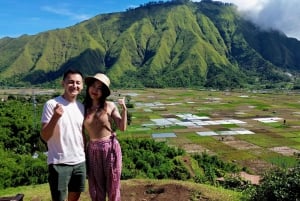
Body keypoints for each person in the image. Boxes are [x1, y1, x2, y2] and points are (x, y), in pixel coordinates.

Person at [40, 69, 86, 201]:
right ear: (63, 83)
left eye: (78, 83)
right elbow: (45, 136)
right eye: (70, 82)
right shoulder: (51, 104)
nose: (74, 85)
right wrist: (56, 116)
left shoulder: (81, 107)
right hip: (59, 162)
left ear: (82, 86)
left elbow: (81, 133)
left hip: (79, 161)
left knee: (75, 197)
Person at [83, 73, 127, 201]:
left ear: (104, 92)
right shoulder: (83, 108)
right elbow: (81, 133)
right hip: (92, 149)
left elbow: (122, 127)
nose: (95, 90)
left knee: (113, 183)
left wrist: (124, 109)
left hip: (110, 148)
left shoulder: (110, 106)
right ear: (88, 87)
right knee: (96, 187)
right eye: (93, 86)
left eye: (100, 88)